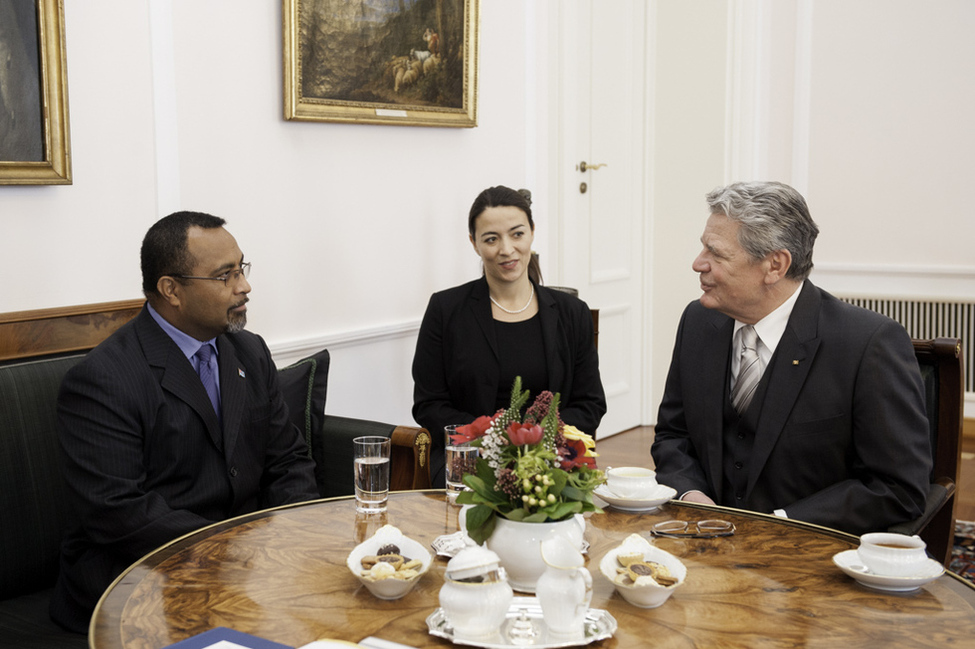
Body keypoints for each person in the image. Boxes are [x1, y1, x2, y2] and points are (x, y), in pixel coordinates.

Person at [50, 211, 319, 632]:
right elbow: (119, 513)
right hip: (143, 579)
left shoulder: (247, 350)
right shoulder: (104, 378)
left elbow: (288, 460)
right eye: (224, 276)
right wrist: (239, 550)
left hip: (247, 568)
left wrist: (284, 545)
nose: (244, 286)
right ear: (171, 289)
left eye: (241, 268)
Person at [651, 181, 931, 535]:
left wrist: (778, 524)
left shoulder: (867, 344)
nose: (698, 263)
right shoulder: (699, 321)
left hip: (808, 558)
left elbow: (898, 488)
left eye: (716, 253)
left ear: (775, 265)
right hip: (703, 544)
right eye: (702, 248)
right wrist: (692, 495)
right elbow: (673, 434)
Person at [412, 186, 607, 486]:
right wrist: (492, 441)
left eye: (517, 234)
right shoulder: (446, 309)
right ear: (474, 243)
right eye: (491, 239)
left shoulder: (572, 313)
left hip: (552, 458)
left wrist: (537, 443)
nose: (506, 249)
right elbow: (429, 404)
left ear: (531, 232)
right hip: (470, 459)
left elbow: (590, 404)